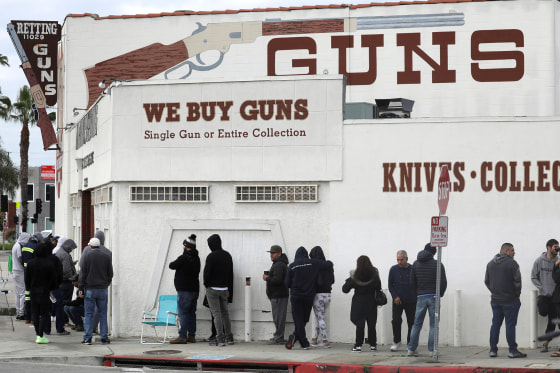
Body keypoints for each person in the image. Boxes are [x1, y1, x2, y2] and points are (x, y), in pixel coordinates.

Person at [284, 246, 333, 350]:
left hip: (296, 297)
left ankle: (303, 342)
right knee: (304, 319)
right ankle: (300, 339)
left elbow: (286, 283)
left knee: (298, 320)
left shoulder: (292, 266)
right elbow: (329, 264)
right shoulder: (313, 263)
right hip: (308, 296)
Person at [485, 242, 526, 358]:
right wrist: (516, 295)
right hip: (510, 300)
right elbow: (518, 282)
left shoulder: (490, 264)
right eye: (512, 250)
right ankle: (512, 351)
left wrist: (494, 291)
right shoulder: (512, 263)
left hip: (495, 300)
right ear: (506, 251)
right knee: (510, 325)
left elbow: (486, 281)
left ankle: (493, 350)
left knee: (495, 324)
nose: (514, 252)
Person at [407, 243, 447, 357]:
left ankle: (411, 349)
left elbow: (412, 281)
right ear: (434, 253)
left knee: (417, 324)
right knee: (434, 325)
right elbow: (443, 282)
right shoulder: (437, 264)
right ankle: (432, 350)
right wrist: (440, 294)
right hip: (434, 296)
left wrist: (417, 293)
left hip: (421, 296)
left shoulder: (415, 264)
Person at [79, 237, 113, 345]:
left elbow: (82, 274)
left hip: (90, 289)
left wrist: (81, 287)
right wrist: (106, 284)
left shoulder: (86, 256)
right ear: (99, 246)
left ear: (90, 246)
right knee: (103, 314)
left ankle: (88, 338)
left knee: (89, 314)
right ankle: (104, 337)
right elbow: (110, 274)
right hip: (102, 289)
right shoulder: (106, 257)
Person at [24, 241, 58, 344]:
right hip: (45, 292)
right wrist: (51, 288)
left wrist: (29, 288)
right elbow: (53, 279)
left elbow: (26, 279)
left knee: (35, 313)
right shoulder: (49, 264)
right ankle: (41, 335)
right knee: (44, 314)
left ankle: (37, 334)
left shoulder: (30, 264)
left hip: (33, 291)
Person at [169, 234, 201, 344]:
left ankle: (182, 336)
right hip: (194, 290)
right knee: (192, 313)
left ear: (186, 246)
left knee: (183, 313)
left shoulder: (183, 258)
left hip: (184, 290)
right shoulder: (197, 259)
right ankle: (191, 336)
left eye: (184, 245)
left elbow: (171, 265)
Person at [203, 234, 234, 346]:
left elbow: (206, 274)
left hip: (213, 289)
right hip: (225, 289)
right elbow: (231, 274)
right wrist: (229, 289)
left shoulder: (211, 257)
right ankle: (229, 337)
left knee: (216, 314)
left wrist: (207, 285)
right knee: (225, 313)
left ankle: (220, 339)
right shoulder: (227, 255)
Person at [531, 239, 559, 352]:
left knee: (552, 321)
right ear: (548, 247)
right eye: (555, 247)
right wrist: (542, 287)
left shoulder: (558, 261)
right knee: (543, 312)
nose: (557, 249)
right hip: (543, 295)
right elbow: (534, 277)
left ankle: (545, 344)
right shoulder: (539, 261)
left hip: (555, 296)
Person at [388, 249, 416, 352]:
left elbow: (416, 284)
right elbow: (390, 285)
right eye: (398, 260)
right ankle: (397, 341)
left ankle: (410, 344)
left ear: (407, 259)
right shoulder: (393, 269)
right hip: (397, 300)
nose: (399, 262)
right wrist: (395, 296)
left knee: (411, 322)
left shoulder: (413, 269)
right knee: (395, 320)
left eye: (402, 260)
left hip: (411, 300)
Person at [263, 245, 289, 345]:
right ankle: (278, 336)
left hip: (279, 295)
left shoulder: (278, 265)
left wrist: (267, 278)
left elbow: (277, 280)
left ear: (279, 253)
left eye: (273, 253)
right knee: (278, 317)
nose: (271, 255)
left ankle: (278, 337)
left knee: (279, 317)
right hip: (278, 295)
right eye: (271, 253)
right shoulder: (279, 264)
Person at [309, 246, 334, 348]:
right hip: (328, 295)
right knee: (320, 317)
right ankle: (314, 339)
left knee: (319, 318)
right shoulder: (328, 267)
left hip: (318, 295)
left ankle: (325, 340)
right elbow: (333, 280)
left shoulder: (314, 266)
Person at [53, 239, 78, 335]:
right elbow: (67, 270)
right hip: (66, 282)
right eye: (71, 248)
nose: (71, 250)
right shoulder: (65, 255)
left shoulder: (59, 252)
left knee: (61, 303)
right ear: (68, 246)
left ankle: (62, 322)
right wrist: (73, 277)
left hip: (60, 282)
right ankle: (63, 323)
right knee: (65, 303)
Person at [11, 232, 31, 321]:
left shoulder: (15, 245)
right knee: (23, 293)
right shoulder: (18, 246)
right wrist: (25, 266)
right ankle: (22, 313)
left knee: (18, 294)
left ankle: (18, 312)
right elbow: (20, 258)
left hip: (15, 271)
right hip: (20, 272)